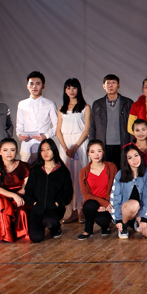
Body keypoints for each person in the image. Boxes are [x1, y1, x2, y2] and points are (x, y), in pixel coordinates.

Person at [24, 140, 73, 242]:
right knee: (36, 238)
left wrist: (58, 203)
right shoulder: (35, 170)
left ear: (54, 150)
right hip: (37, 209)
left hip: (54, 209)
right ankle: (41, 225)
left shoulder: (62, 171)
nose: (45, 153)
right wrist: (33, 203)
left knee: (50, 221)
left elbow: (68, 192)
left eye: (48, 149)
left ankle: (56, 229)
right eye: (42, 150)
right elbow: (28, 190)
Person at [56, 78, 91, 223]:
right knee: (68, 177)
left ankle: (82, 209)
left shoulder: (85, 107)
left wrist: (75, 147)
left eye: (74, 88)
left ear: (78, 89)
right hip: (65, 144)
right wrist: (65, 148)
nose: (71, 91)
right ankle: (72, 211)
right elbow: (58, 131)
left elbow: (86, 130)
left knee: (81, 176)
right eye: (68, 88)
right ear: (65, 90)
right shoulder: (61, 108)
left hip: (80, 143)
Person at [89, 74, 134, 166]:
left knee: (122, 169)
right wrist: (92, 144)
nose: (110, 85)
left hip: (123, 143)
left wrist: (131, 143)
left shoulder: (128, 103)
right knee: (105, 170)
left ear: (118, 85)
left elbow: (132, 126)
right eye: (108, 83)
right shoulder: (97, 104)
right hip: (103, 144)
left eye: (113, 82)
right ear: (103, 86)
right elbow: (92, 126)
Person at [110, 144, 147, 239]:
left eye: (136, 155)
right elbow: (114, 198)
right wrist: (118, 219)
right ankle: (124, 225)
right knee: (134, 204)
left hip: (140, 210)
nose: (134, 160)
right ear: (126, 161)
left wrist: (144, 217)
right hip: (126, 209)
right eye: (130, 158)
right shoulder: (120, 174)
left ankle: (135, 222)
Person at [78, 140, 118, 240]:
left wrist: (106, 205)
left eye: (99, 151)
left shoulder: (111, 167)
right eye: (92, 152)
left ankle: (106, 226)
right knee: (89, 205)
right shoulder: (83, 172)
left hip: (108, 205)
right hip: (93, 204)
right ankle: (88, 230)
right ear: (88, 153)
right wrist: (102, 203)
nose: (96, 155)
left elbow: (116, 188)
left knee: (103, 220)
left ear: (103, 152)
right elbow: (86, 194)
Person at [16, 71, 58, 164]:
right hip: (26, 146)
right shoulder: (22, 104)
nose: (34, 87)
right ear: (27, 86)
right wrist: (19, 135)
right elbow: (19, 125)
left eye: (38, 84)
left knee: (44, 170)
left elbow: (57, 126)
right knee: (26, 171)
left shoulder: (50, 104)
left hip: (43, 146)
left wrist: (46, 136)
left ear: (43, 86)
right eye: (31, 84)